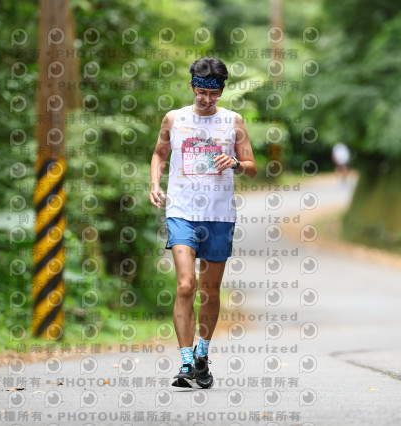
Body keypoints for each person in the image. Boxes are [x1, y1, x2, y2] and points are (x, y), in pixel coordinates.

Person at [149, 57, 257, 389]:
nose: (206, 100)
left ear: (221, 91)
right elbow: (159, 154)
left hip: (219, 215)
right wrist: (154, 184)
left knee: (210, 291)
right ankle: (185, 360)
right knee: (185, 285)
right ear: (192, 86)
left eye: (213, 94)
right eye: (201, 93)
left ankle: (202, 355)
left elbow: (252, 166)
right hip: (181, 211)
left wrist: (236, 163)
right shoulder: (174, 118)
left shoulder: (233, 121)